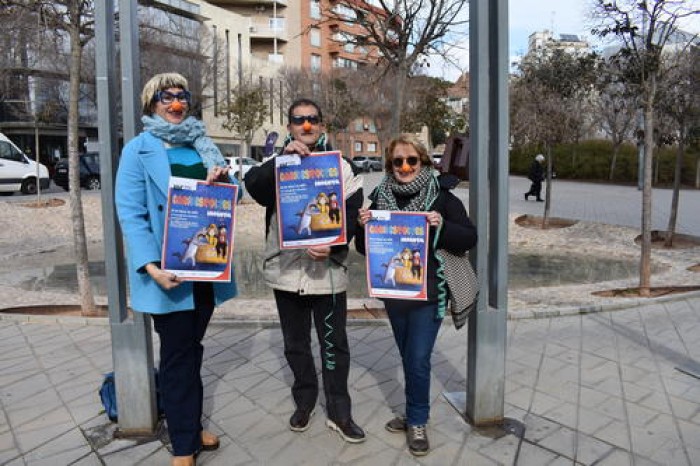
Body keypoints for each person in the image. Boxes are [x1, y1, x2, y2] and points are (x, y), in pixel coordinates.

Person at [115, 72, 241, 466]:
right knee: (176, 354)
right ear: (151, 104)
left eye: (181, 96)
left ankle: (189, 422)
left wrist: (222, 183)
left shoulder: (206, 147)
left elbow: (229, 203)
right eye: (165, 98)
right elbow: (132, 214)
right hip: (167, 273)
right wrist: (150, 267)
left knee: (192, 350)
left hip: (206, 267)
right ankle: (183, 443)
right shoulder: (138, 150)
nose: (175, 104)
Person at [244, 98, 366, 443]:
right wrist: (284, 159)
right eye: (299, 120)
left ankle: (340, 411)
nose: (306, 125)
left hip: (328, 272)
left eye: (313, 119)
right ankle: (305, 400)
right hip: (285, 272)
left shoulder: (341, 167)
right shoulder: (276, 162)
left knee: (335, 345)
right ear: (290, 126)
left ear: (322, 125)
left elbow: (354, 213)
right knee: (295, 345)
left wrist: (336, 245)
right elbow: (253, 187)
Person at [355, 134, 477, 457]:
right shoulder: (379, 195)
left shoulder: (443, 196)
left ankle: (418, 420)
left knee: (418, 358)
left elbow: (469, 237)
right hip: (395, 295)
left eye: (412, 160)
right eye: (398, 161)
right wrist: (362, 226)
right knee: (409, 356)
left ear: (423, 162)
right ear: (390, 165)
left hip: (429, 294)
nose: (405, 167)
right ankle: (411, 413)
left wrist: (441, 226)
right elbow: (364, 248)